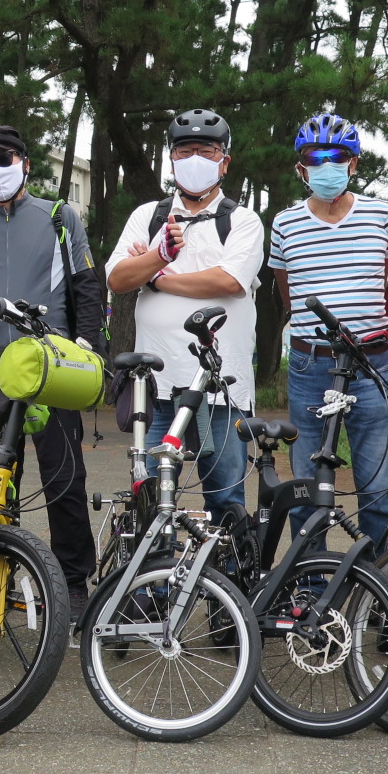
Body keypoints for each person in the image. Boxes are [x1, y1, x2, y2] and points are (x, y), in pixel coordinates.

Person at [0, 123, 106, 617]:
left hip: (51, 362)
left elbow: (86, 285)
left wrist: (91, 349)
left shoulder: (61, 217)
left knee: (63, 474)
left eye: (4, 159)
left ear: (25, 163)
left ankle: (73, 580)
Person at [105, 108, 264, 522]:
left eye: (206, 150)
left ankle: (229, 582)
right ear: (171, 160)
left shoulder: (242, 221)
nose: (195, 158)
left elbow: (229, 280)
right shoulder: (148, 216)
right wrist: (159, 255)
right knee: (151, 499)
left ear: (224, 161)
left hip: (220, 387)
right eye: (184, 150)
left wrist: (156, 278)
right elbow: (118, 278)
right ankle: (150, 586)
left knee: (225, 500)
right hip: (155, 387)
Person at [269, 112, 388, 548]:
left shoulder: (381, 215)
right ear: (301, 167)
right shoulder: (284, 224)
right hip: (311, 363)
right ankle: (309, 586)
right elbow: (289, 294)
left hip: (372, 360)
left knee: (377, 485)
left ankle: (381, 592)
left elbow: (378, 281)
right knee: (306, 487)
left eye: (336, 156)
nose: (327, 165)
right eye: (315, 157)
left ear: (354, 163)